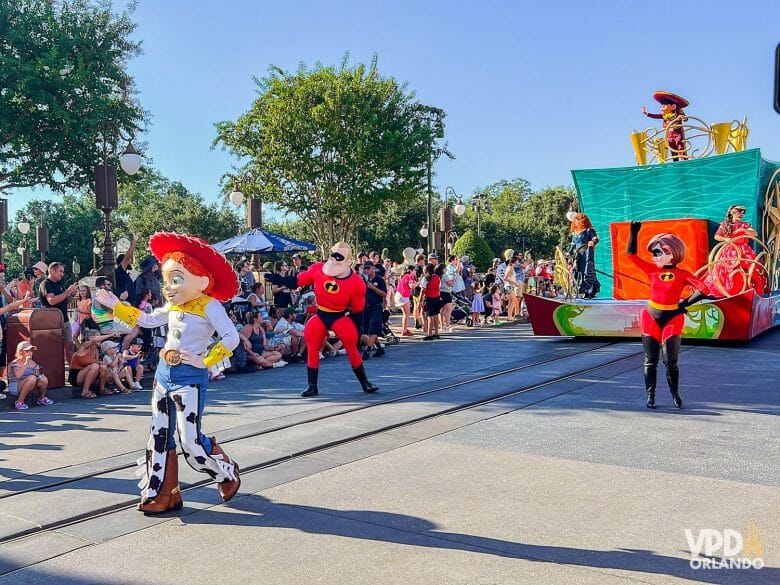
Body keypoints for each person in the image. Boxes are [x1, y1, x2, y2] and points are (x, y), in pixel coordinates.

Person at [96, 232, 241, 514]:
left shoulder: (209, 305)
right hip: (164, 376)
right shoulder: (174, 305)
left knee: (191, 443)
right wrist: (118, 307)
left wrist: (207, 361)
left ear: (201, 280)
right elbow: (149, 320)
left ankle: (225, 471)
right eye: (167, 280)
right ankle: (164, 493)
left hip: (189, 379)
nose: (169, 287)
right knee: (159, 436)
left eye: (176, 279)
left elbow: (231, 337)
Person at [265, 242, 379, 397]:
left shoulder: (357, 283)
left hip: (339, 316)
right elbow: (298, 281)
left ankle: (364, 382)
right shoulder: (318, 269)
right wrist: (279, 279)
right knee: (311, 341)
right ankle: (312, 385)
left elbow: (358, 312)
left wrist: (358, 330)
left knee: (351, 345)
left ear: (348, 262)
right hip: (321, 314)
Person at [626, 222, 707, 409]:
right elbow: (631, 256)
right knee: (649, 360)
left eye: (657, 253)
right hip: (651, 316)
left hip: (673, 318)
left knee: (670, 362)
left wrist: (682, 305)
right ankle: (650, 396)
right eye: (653, 253)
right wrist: (634, 233)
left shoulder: (682, 273)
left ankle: (675, 394)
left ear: (671, 252)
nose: (654, 257)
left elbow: (704, 288)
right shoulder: (652, 270)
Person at [704, 205, 768, 297]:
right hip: (729, 251)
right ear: (732, 213)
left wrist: (744, 230)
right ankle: (728, 291)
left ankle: (746, 290)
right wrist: (725, 239)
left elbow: (754, 233)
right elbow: (716, 236)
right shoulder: (724, 225)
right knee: (727, 270)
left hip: (744, 251)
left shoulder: (745, 225)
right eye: (739, 212)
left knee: (748, 270)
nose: (741, 214)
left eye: (742, 213)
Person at [39, 262, 77, 363]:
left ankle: (72, 369)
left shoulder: (59, 283)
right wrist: (66, 292)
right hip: (52, 322)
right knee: (55, 347)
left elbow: (66, 300)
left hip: (64, 319)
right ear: (52, 271)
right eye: (60, 271)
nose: (62, 274)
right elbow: (52, 300)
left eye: (63, 271)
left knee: (69, 345)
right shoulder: (46, 284)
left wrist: (72, 294)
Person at [642, 91, 689, 161]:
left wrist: (682, 117)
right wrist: (647, 113)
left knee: (680, 146)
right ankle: (675, 162)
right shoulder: (664, 115)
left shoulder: (678, 112)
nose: (662, 108)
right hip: (669, 134)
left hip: (677, 132)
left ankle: (684, 160)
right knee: (672, 147)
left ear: (673, 106)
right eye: (662, 106)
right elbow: (656, 116)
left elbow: (686, 119)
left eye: (664, 106)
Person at [7, 340, 51, 410]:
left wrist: (37, 374)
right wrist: (26, 364)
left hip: (29, 384)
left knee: (43, 379)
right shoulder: (15, 362)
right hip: (15, 386)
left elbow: (36, 374)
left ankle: (41, 398)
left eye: (31, 351)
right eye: (27, 351)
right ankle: (19, 402)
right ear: (21, 352)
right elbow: (18, 376)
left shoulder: (32, 362)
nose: (30, 353)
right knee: (32, 378)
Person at [69, 327, 112, 398]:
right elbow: (94, 341)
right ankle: (85, 391)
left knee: (103, 367)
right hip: (77, 376)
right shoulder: (84, 346)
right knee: (95, 366)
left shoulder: (96, 350)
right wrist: (111, 335)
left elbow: (97, 363)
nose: (101, 338)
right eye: (99, 336)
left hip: (89, 374)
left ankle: (102, 389)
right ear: (91, 338)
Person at [568, 213, 600, 299]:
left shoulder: (589, 230)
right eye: (576, 219)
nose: (578, 221)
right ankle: (581, 290)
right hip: (578, 255)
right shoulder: (575, 233)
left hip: (587, 253)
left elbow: (595, 238)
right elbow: (573, 244)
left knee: (587, 271)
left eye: (579, 219)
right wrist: (569, 252)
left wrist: (593, 242)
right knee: (578, 271)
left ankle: (590, 290)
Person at [360, 261, 387, 358]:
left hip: (376, 306)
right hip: (366, 307)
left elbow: (384, 294)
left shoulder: (379, 280)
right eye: (365, 268)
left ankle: (367, 351)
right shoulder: (363, 280)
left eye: (368, 268)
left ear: (373, 268)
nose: (366, 270)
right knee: (369, 330)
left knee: (374, 329)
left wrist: (373, 288)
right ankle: (379, 348)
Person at [114, 233, 139, 305]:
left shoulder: (124, 273)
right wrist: (134, 242)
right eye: (128, 261)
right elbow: (127, 258)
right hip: (124, 303)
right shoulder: (119, 271)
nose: (130, 261)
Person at [420, 263, 440, 341]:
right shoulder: (437, 277)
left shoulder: (425, 279)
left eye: (425, 272)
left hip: (429, 298)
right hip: (436, 298)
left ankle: (429, 334)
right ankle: (436, 333)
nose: (424, 273)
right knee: (435, 315)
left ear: (428, 271)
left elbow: (422, 290)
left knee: (429, 316)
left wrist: (420, 300)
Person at [395, 265, 417, 336]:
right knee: (406, 313)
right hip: (403, 295)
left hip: (401, 295)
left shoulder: (405, 276)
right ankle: (404, 330)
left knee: (406, 313)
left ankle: (405, 329)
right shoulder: (409, 276)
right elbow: (412, 286)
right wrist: (419, 281)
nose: (415, 271)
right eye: (414, 270)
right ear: (411, 270)